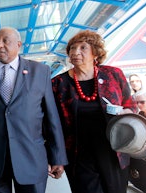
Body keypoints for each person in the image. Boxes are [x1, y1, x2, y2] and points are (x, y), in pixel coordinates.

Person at [0, 27, 68, 193]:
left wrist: (57, 157)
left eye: (5, 41)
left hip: (31, 159)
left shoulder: (40, 72)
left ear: (19, 45)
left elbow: (51, 117)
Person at [51, 30, 137, 193]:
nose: (76, 52)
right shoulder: (58, 83)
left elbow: (131, 104)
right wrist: (56, 157)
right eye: (72, 48)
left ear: (95, 53)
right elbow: (52, 123)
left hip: (113, 150)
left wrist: (127, 112)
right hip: (78, 154)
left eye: (83, 48)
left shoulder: (113, 74)